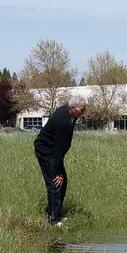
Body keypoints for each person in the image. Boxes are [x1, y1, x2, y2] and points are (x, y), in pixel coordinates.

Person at [34, 94, 87, 227]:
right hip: (46, 152)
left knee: (62, 183)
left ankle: (54, 213)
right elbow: (58, 149)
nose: (84, 112)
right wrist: (58, 172)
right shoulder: (64, 122)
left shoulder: (66, 112)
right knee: (56, 184)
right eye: (82, 109)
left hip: (52, 151)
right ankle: (54, 220)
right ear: (73, 108)